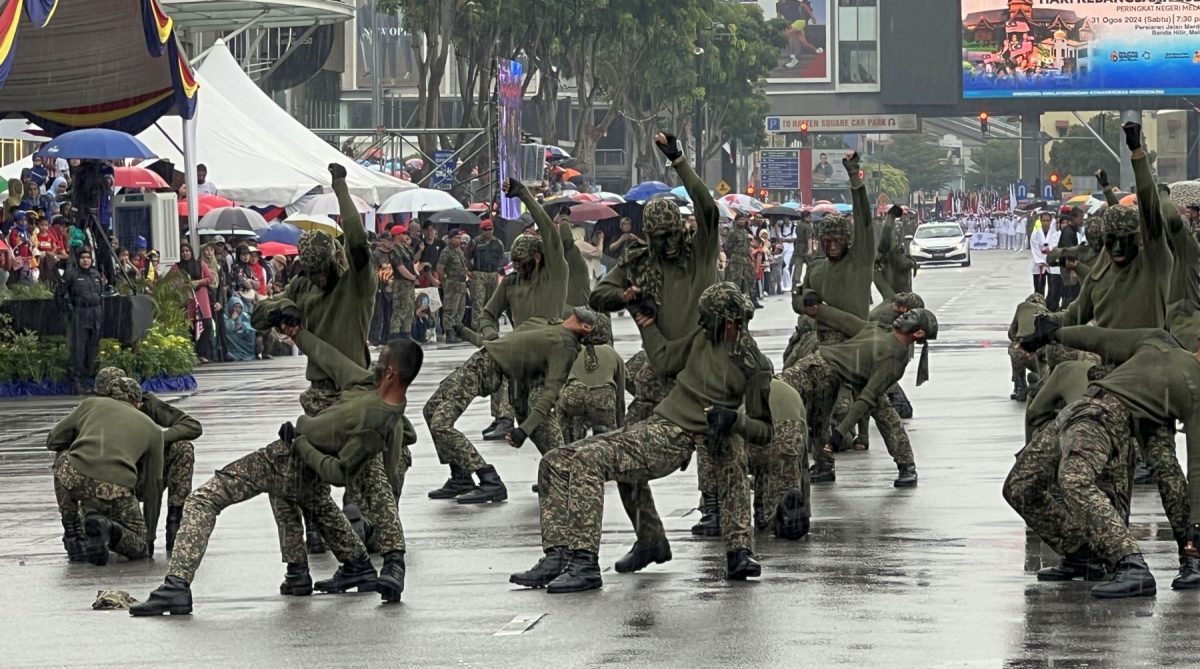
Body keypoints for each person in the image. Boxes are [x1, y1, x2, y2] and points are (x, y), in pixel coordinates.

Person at [130, 332, 423, 615]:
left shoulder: (376, 422)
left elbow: (339, 473)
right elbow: (333, 359)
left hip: (286, 457)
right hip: (303, 467)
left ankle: (176, 585)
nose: (375, 364)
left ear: (391, 372)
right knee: (312, 499)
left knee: (203, 500)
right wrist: (298, 334)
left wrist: (299, 441)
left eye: (381, 360)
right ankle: (353, 564)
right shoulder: (371, 389)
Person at [510, 283, 776, 592]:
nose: (701, 323)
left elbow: (765, 431)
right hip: (659, 425)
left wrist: (734, 420)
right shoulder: (704, 338)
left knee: (585, 461)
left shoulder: (754, 366)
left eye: (708, 318)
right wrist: (645, 321)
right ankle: (558, 555)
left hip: (675, 438)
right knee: (554, 461)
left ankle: (584, 563)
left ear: (730, 322)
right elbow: (665, 361)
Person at [588, 132, 724, 541]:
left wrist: (679, 160)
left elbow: (708, 207)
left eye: (670, 236)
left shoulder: (699, 251)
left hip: (703, 365)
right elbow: (599, 295)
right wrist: (627, 294)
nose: (665, 244)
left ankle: (714, 508)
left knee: (711, 441)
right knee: (624, 449)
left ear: (681, 230)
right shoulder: (639, 262)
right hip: (659, 372)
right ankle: (648, 536)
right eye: (657, 237)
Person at [1018, 322, 1200, 597]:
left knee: (1074, 480)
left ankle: (1131, 565)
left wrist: (1197, 524)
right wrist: (1053, 333)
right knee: (1020, 486)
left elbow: (1197, 465)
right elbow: (1100, 338)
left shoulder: (1196, 390)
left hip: (1106, 417)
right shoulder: (1158, 340)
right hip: (1080, 408)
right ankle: (1085, 555)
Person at [252, 163, 376, 556]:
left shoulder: (356, 285)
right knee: (307, 462)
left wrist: (340, 186)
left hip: (354, 390)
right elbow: (260, 316)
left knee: (362, 467)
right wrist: (280, 310)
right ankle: (321, 525)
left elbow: (357, 241)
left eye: (323, 271)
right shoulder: (302, 284)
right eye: (312, 271)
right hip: (319, 392)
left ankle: (362, 524)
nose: (319, 278)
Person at [423, 308, 596, 504]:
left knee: (441, 424)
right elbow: (500, 346)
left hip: (485, 369)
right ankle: (461, 476)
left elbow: (551, 392)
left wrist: (524, 430)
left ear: (585, 327)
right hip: (483, 360)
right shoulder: (549, 324)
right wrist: (464, 331)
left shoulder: (566, 346)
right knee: (430, 410)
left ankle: (489, 479)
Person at [779, 295, 937, 486]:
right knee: (819, 415)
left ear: (918, 333)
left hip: (826, 368)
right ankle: (824, 465)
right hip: (833, 372)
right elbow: (847, 321)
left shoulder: (894, 358)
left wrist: (840, 432)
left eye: (911, 316)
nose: (903, 316)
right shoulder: (880, 329)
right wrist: (819, 310)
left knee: (776, 389)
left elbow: (866, 398)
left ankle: (906, 467)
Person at [794, 152, 884, 464]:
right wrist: (805, 303)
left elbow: (864, 219)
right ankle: (823, 462)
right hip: (827, 348)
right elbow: (801, 302)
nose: (832, 244)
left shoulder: (859, 260)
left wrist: (855, 178)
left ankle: (904, 462)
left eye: (837, 239)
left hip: (858, 344)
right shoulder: (816, 268)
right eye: (826, 239)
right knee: (820, 408)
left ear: (847, 240)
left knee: (878, 406)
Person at [470, 179, 569, 444]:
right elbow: (487, 314)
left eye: (520, 262)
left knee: (549, 422)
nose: (515, 267)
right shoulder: (512, 283)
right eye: (512, 263)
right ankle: (505, 419)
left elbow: (548, 231)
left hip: (550, 352)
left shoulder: (554, 274)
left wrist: (524, 194)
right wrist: (491, 336)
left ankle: (561, 466)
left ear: (536, 259)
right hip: (520, 352)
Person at [83, 367, 200, 555]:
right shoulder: (93, 411)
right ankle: (85, 531)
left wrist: (155, 439)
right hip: (110, 485)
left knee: (183, 448)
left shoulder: (145, 403)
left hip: (144, 476)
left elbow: (192, 426)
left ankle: (174, 523)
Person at [46, 377, 164, 565]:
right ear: (137, 402)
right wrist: (149, 538)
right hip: (115, 487)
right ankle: (108, 529)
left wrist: (81, 438)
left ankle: (73, 532)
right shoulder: (154, 430)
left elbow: (53, 440)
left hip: (73, 476)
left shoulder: (90, 404)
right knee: (139, 547)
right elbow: (153, 487)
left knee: (62, 456)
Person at [556, 318, 625, 444]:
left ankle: (567, 442)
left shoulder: (570, 350)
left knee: (566, 408)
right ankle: (603, 443)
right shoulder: (613, 354)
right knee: (606, 432)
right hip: (602, 399)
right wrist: (620, 428)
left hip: (574, 396)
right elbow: (620, 396)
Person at [59, 248, 104, 395]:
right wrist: (69, 310)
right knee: (78, 349)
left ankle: (86, 381)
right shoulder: (72, 275)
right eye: (83, 258)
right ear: (78, 260)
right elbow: (60, 294)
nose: (86, 260)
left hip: (95, 314)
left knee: (91, 350)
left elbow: (100, 294)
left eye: (88, 258)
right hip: (79, 315)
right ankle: (76, 382)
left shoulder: (95, 275)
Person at [171, 243, 216, 364]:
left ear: (191, 252)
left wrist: (198, 282)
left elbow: (211, 278)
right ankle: (191, 355)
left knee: (206, 326)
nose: (185, 253)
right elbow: (171, 282)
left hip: (201, 299)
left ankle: (202, 354)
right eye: (182, 251)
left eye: (187, 251)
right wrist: (184, 285)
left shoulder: (200, 264)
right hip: (187, 301)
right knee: (190, 327)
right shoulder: (177, 267)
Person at [466, 219, 505, 330]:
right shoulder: (475, 242)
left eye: (490, 229)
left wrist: (498, 270)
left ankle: (492, 326)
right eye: (485, 230)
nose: (488, 232)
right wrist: (469, 271)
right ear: (481, 230)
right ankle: (477, 327)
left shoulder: (498, 243)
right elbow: (468, 257)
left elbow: (501, 258)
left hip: (493, 274)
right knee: (478, 301)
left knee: (492, 302)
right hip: (479, 273)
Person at [435, 227, 469, 343]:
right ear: (450, 239)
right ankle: (449, 333)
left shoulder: (459, 251)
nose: (458, 240)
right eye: (456, 238)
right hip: (452, 283)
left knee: (460, 309)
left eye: (459, 238)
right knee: (450, 309)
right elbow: (440, 268)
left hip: (461, 283)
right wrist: (445, 282)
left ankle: (456, 330)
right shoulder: (446, 252)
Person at [388, 224, 419, 339]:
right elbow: (400, 268)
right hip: (401, 283)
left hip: (409, 283)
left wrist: (414, 276)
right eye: (403, 234)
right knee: (400, 309)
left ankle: (406, 333)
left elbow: (411, 262)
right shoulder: (394, 250)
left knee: (409, 309)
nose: (405, 236)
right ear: (397, 235)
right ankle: (394, 334)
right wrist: (412, 277)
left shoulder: (405, 248)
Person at [223, 297, 257, 361]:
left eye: (240, 307)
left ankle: (249, 353)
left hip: (242, 335)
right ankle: (234, 354)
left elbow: (250, 327)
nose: (238, 309)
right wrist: (232, 319)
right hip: (232, 337)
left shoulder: (244, 315)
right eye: (236, 307)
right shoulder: (225, 315)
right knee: (228, 336)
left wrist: (242, 327)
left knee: (252, 333)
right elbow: (225, 329)